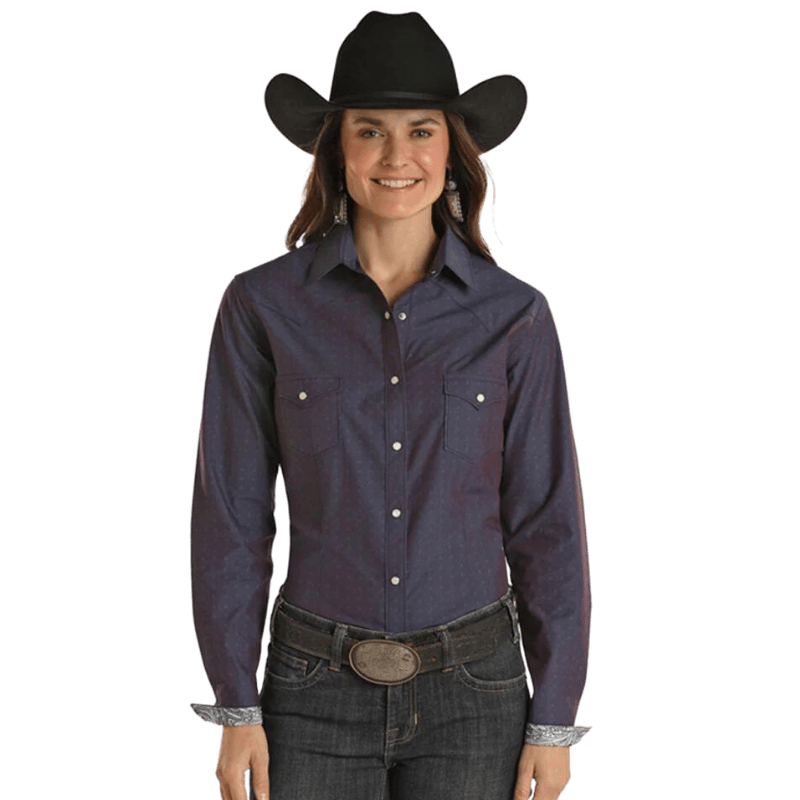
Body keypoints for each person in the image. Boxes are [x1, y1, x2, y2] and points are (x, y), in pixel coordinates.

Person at [189, 11, 592, 800]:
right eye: (370, 131)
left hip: (478, 692)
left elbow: (548, 522)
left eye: (421, 131)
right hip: (310, 691)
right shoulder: (262, 306)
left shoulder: (516, 315)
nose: (397, 156)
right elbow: (231, 514)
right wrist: (237, 706)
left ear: (452, 153)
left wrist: (554, 717)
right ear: (337, 151)